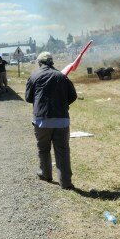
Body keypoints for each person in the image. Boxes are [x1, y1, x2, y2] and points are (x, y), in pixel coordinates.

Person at [25, 52, 77, 187]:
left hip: (41, 120)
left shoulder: (34, 76)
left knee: (43, 148)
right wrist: (62, 104)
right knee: (63, 150)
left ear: (39, 63)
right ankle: (65, 182)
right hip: (62, 120)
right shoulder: (62, 76)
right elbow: (73, 96)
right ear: (52, 63)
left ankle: (45, 174)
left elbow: (28, 98)